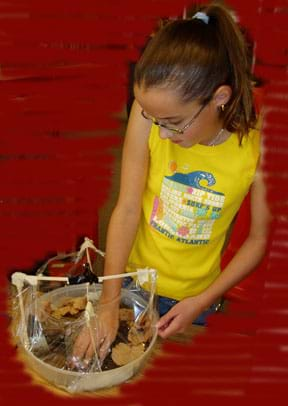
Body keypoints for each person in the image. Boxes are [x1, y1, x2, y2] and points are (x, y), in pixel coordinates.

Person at [72, 1, 270, 365]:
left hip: (196, 296)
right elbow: (128, 207)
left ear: (219, 98)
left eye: (174, 122)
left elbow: (257, 240)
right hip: (130, 281)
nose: (161, 133)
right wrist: (110, 299)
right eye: (151, 117)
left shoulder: (260, 144)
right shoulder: (150, 117)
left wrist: (204, 299)